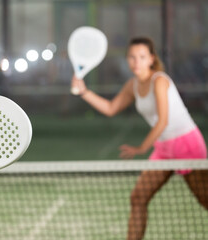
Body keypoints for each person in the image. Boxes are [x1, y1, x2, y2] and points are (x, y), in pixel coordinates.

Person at [71, 37, 208, 240]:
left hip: (187, 144)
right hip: (163, 148)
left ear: (151, 59)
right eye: (132, 57)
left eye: (142, 57)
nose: (137, 62)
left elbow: (163, 121)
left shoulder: (159, 80)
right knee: (138, 198)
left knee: (205, 200)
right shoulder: (132, 85)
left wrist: (142, 148)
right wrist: (84, 91)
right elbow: (110, 109)